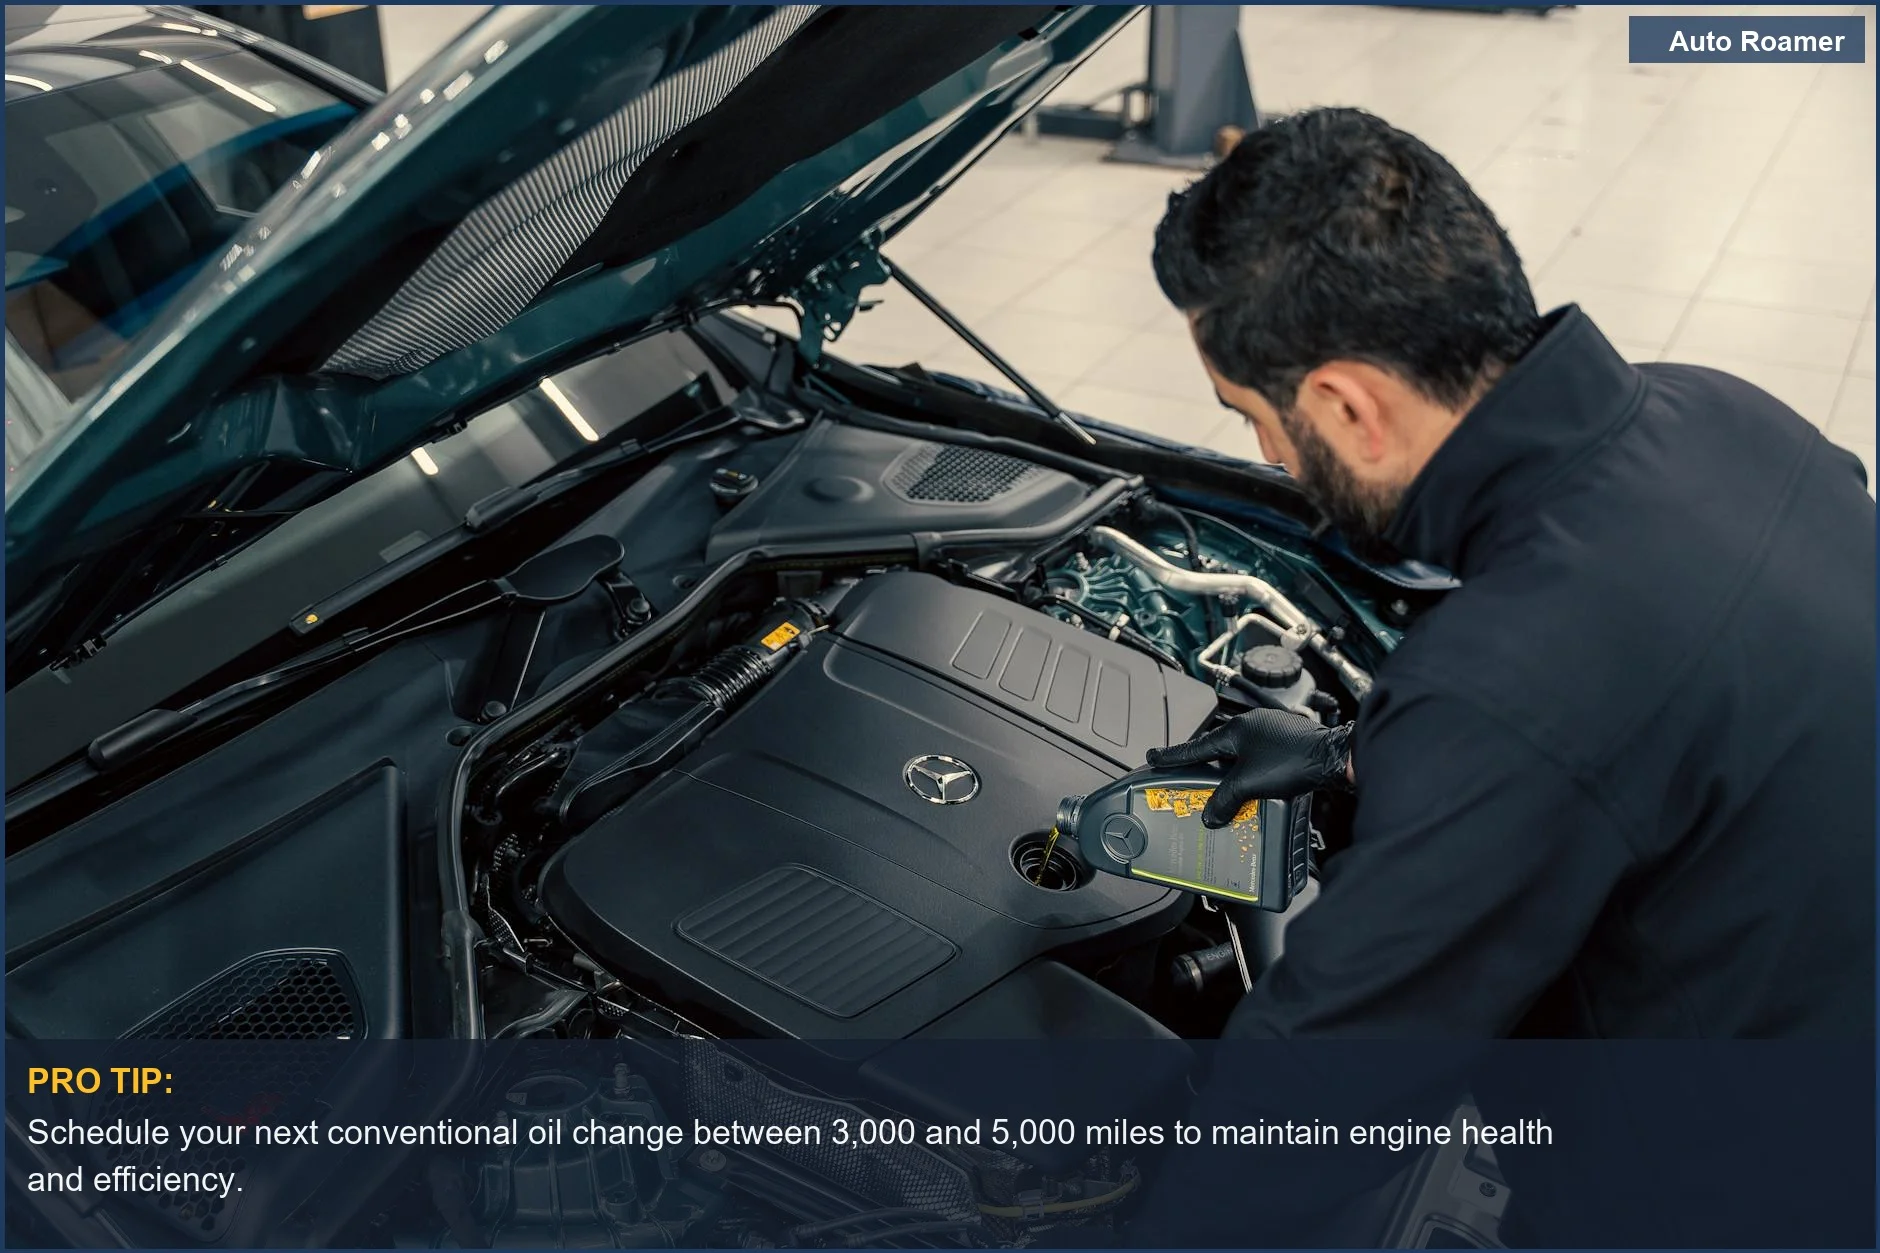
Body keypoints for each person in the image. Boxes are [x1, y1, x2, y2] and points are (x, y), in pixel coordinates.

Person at [1126, 107, 1875, 1244]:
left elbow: (1323, 1086)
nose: (1269, 459)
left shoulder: (1508, 684)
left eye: (1252, 419)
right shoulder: (1724, 411)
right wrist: (1345, 753)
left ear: (1340, 405)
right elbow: (1659, 726)